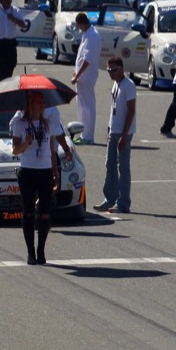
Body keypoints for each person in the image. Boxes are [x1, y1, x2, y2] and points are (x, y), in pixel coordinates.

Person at [10, 92, 60, 265]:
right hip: (28, 171)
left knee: (45, 212)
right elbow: (15, 150)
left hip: (45, 171)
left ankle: (41, 250)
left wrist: (55, 170)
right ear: (31, 105)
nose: (42, 105)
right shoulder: (20, 124)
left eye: (43, 102)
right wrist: (26, 143)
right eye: (39, 102)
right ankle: (30, 252)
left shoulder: (48, 124)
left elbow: (51, 149)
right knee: (29, 212)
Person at [97, 57, 136, 214]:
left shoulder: (129, 85)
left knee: (123, 167)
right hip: (113, 130)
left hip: (123, 132)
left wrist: (124, 135)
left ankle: (123, 202)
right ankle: (110, 199)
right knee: (110, 164)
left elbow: (131, 110)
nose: (111, 74)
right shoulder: (115, 85)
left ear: (121, 68)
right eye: (109, 71)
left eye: (114, 70)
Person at [69, 12, 102, 145]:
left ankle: (88, 136)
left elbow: (88, 59)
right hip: (82, 75)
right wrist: (75, 73)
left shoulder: (93, 36)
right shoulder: (87, 34)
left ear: (81, 23)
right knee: (82, 105)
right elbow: (81, 57)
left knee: (88, 105)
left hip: (87, 75)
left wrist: (77, 75)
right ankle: (84, 133)